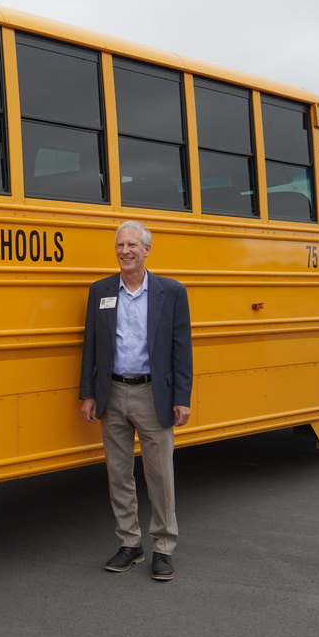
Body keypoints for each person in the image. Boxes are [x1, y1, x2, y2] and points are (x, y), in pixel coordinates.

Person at [79, 221, 192, 581]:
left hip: (152, 392)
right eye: (119, 245)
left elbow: (181, 348)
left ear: (147, 249)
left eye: (132, 245)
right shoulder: (100, 291)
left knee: (160, 475)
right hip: (112, 392)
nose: (124, 251)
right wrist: (89, 393)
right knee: (119, 473)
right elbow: (91, 347)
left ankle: (163, 546)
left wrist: (182, 397)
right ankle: (130, 542)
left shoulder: (170, 292)